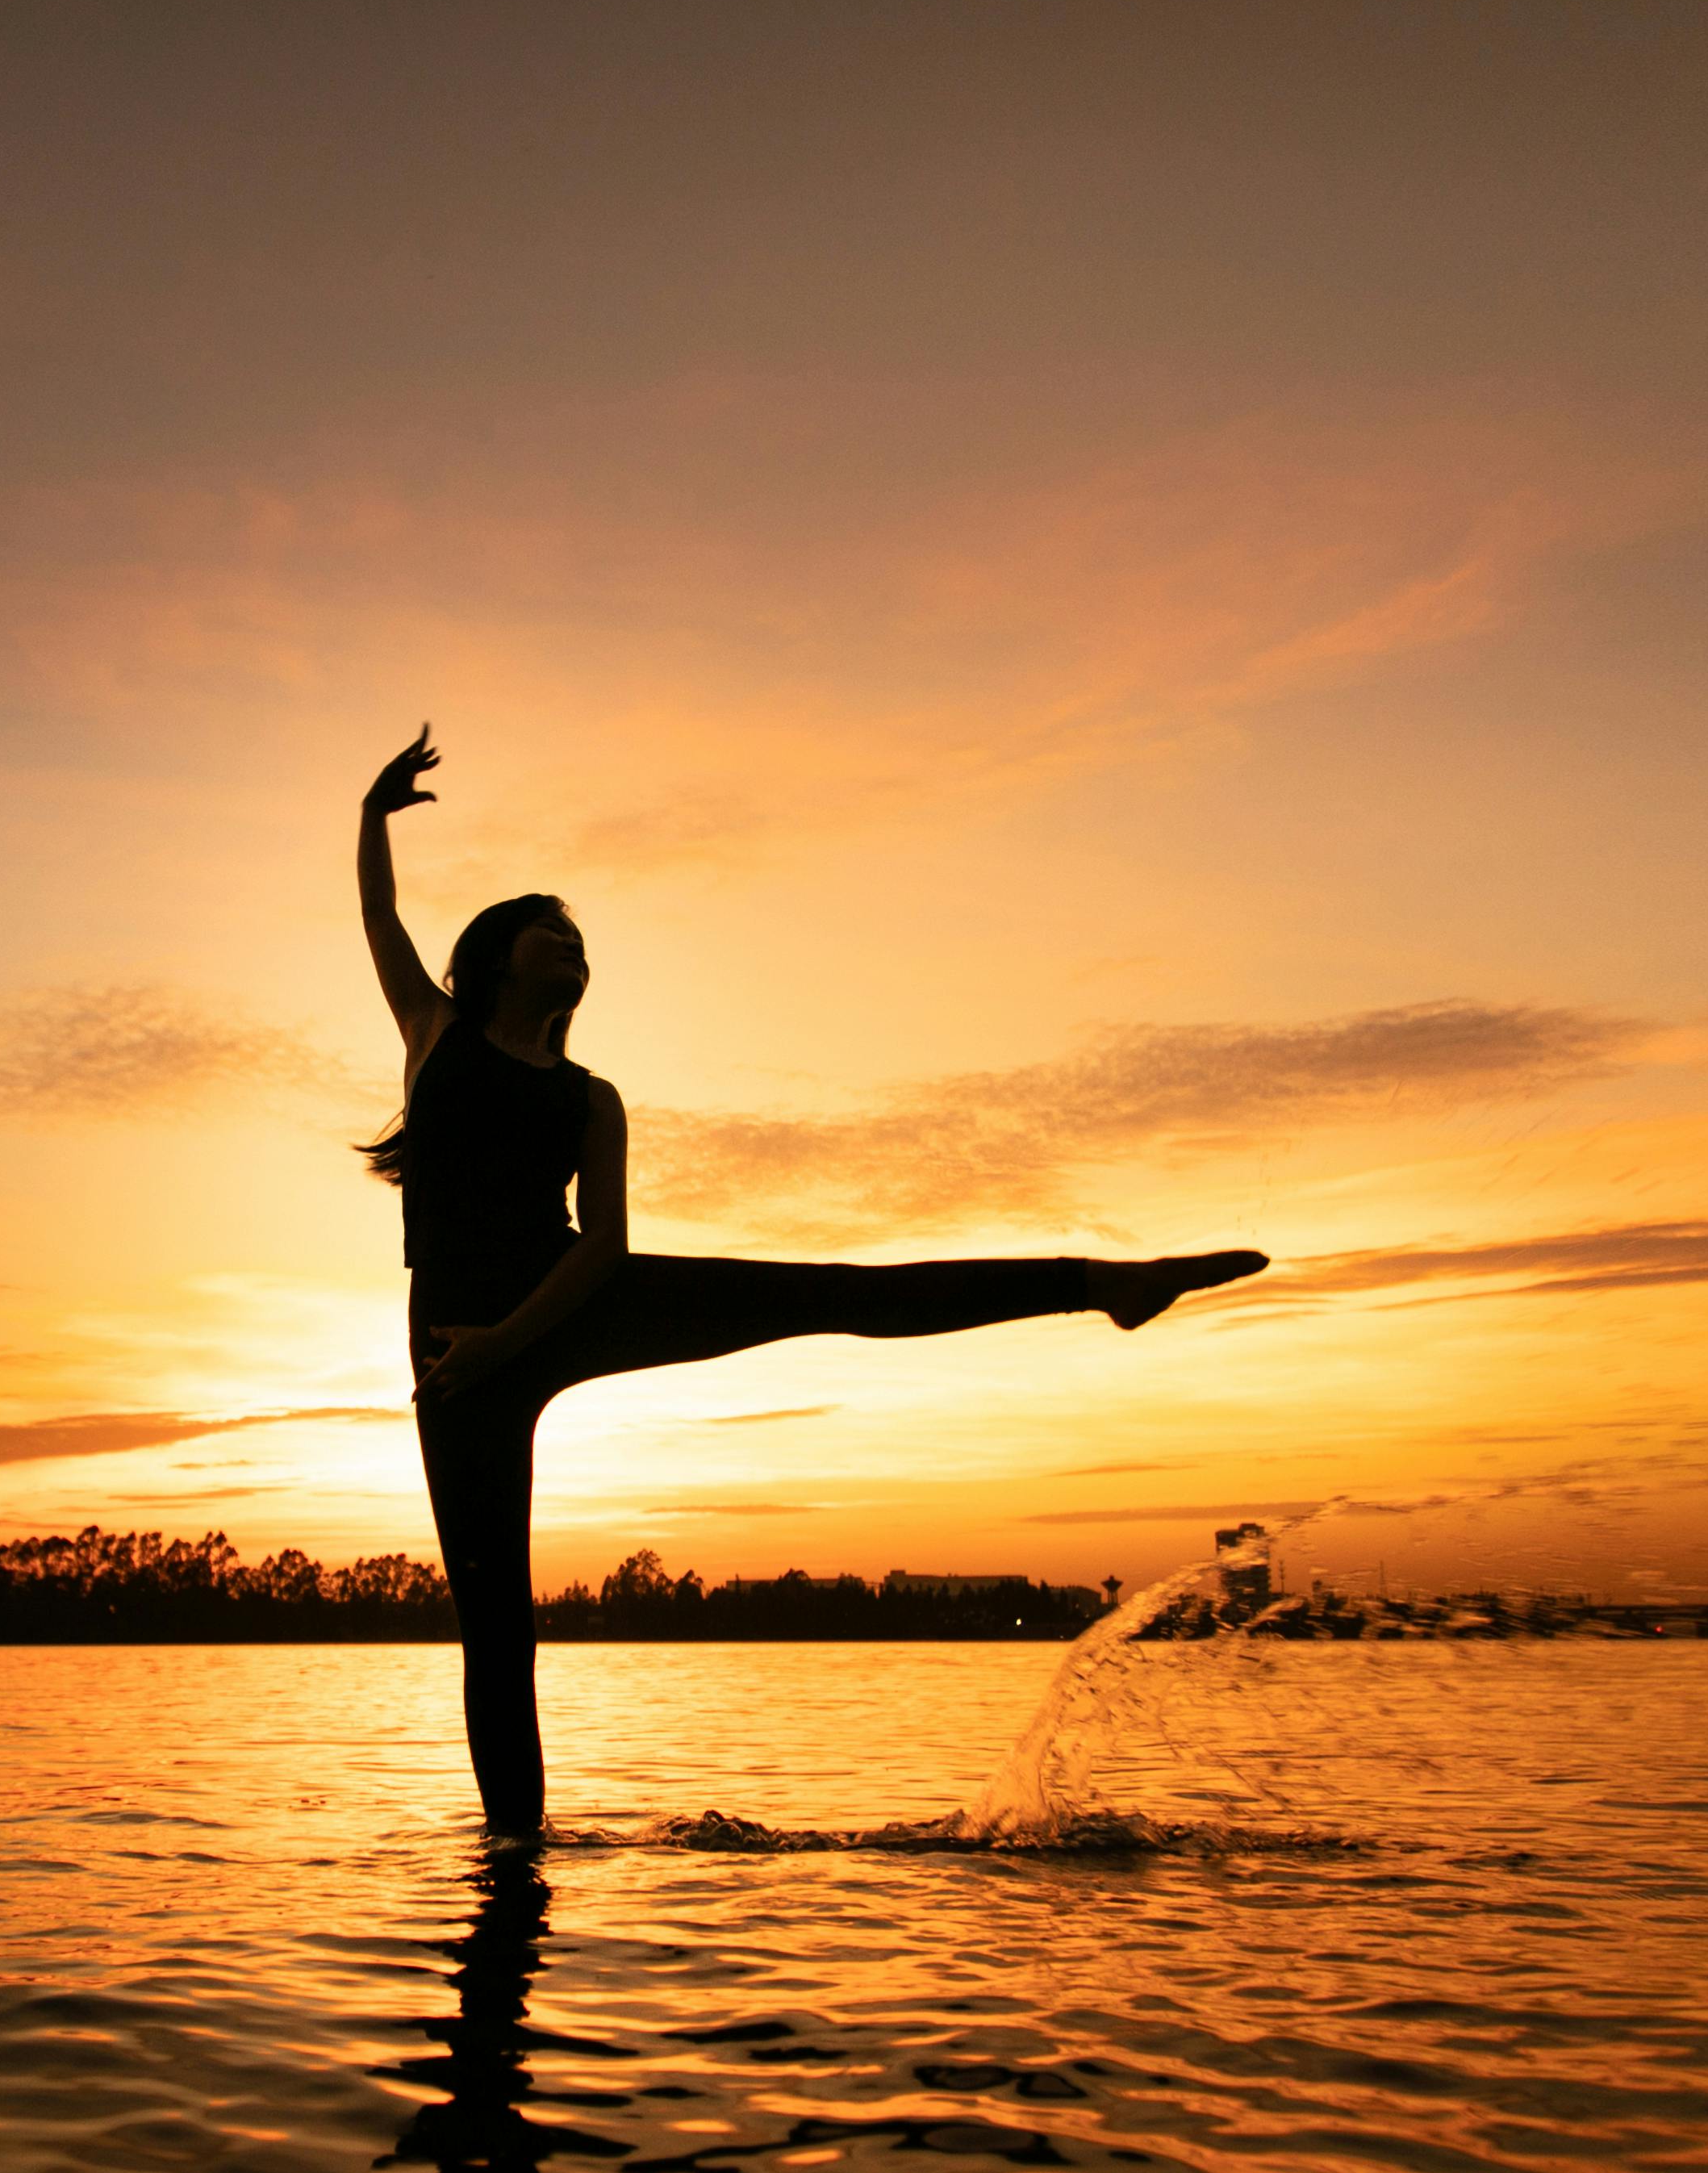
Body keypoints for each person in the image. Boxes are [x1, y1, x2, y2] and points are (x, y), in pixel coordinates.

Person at [354, 727, 1263, 1831]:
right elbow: (379, 917)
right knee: (495, 1629)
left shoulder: (590, 1097)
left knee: (834, 1290)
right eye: (557, 936)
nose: (576, 953)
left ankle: (1101, 1281)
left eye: (584, 944)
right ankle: (515, 1856)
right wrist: (374, 811)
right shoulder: (436, 1032)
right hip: (455, 1358)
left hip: (564, 1300)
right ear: (500, 953)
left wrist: (511, 1338)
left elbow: (602, 1244)